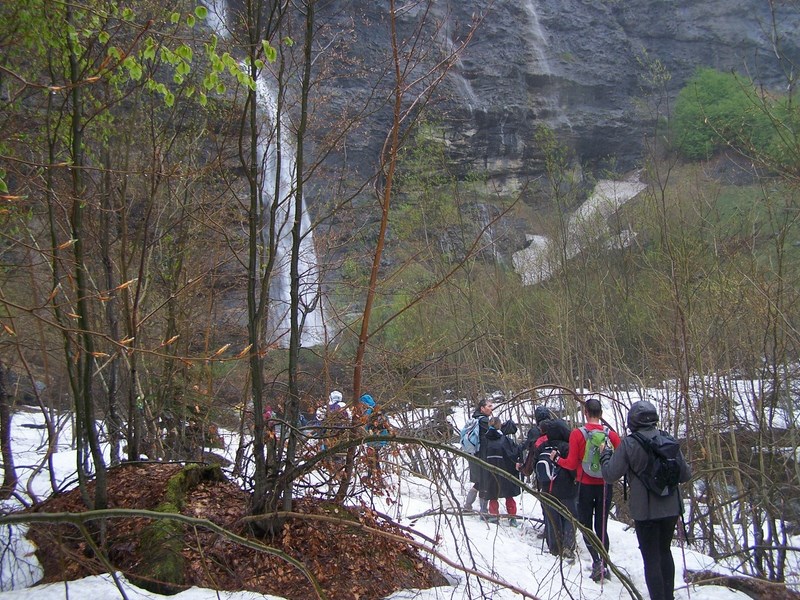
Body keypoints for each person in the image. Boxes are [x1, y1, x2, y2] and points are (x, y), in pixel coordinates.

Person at [600, 401, 692, 600]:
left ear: (632, 422)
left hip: (646, 511)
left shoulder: (630, 443)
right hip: (671, 508)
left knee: (651, 558)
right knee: (665, 552)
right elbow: (686, 474)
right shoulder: (668, 439)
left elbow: (609, 474)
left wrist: (605, 456)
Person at [551, 397, 621, 582]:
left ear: (585, 413)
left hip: (585, 484)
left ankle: (597, 561)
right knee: (602, 526)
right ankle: (605, 563)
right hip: (605, 485)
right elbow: (620, 461)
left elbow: (572, 463)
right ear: (601, 414)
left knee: (586, 525)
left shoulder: (577, 434)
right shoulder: (611, 435)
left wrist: (557, 460)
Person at [537, 417, 577, 558]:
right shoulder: (567, 447)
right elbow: (573, 468)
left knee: (551, 518)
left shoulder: (542, 447)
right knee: (569, 516)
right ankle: (568, 546)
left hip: (547, 489)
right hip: (566, 489)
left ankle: (554, 547)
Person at [481, 416, 523, 525]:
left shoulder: (484, 440)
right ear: (500, 426)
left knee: (492, 495)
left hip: (490, 472)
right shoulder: (505, 440)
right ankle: (512, 518)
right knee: (509, 495)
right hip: (505, 471)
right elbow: (513, 454)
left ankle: (494, 517)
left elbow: (481, 456)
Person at [463, 398, 494, 513]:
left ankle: (468, 505)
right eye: (489, 406)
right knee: (484, 482)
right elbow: (492, 434)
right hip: (482, 454)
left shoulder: (474, 418)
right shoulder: (484, 421)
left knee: (479, 482)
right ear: (482, 408)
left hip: (474, 453)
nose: (491, 408)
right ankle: (483, 510)